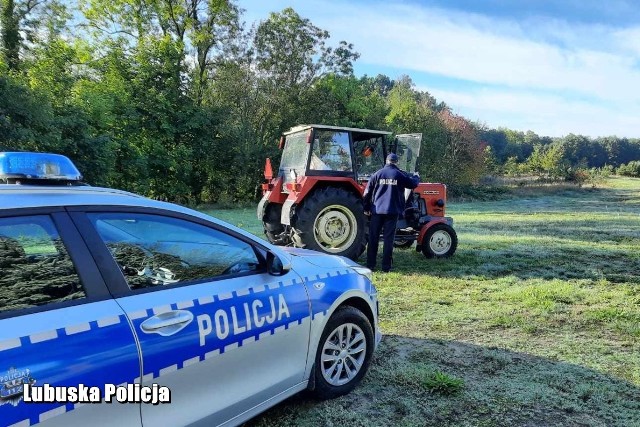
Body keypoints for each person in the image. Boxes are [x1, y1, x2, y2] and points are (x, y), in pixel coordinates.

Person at [363, 153, 420, 272]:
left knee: (373, 238)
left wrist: (366, 208)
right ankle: (386, 267)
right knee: (389, 240)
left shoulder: (377, 174)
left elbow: (367, 192)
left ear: (386, 161)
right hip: (392, 212)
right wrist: (416, 176)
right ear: (396, 162)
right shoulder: (399, 174)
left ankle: (370, 265)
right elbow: (412, 184)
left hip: (377, 211)